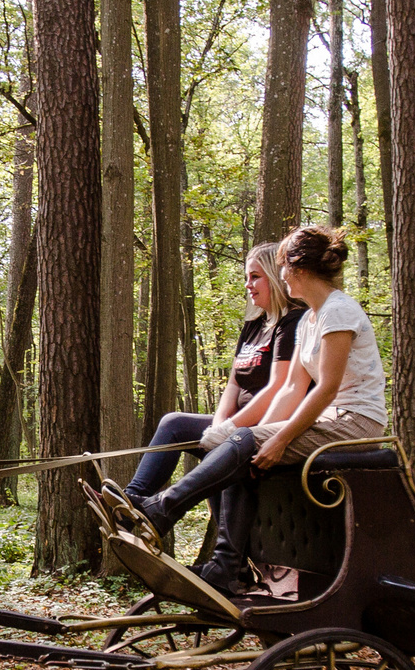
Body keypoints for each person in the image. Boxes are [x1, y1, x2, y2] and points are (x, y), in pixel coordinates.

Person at [124, 225, 386, 595]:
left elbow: (325, 388)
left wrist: (279, 437)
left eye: (280, 267)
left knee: (244, 440)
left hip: (357, 424)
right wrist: (250, 433)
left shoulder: (338, 312)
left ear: (297, 269)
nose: (280, 277)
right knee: (242, 443)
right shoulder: (312, 317)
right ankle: (226, 564)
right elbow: (293, 387)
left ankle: (161, 509)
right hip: (330, 421)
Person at [113, 242, 303, 501]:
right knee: (174, 424)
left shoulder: (292, 323)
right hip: (234, 426)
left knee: (214, 449)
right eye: (247, 277)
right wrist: (218, 426)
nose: (248, 284)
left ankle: (151, 509)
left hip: (264, 427)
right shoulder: (254, 326)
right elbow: (234, 385)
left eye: (255, 277)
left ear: (274, 276)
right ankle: (131, 501)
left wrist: (229, 430)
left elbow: (278, 388)